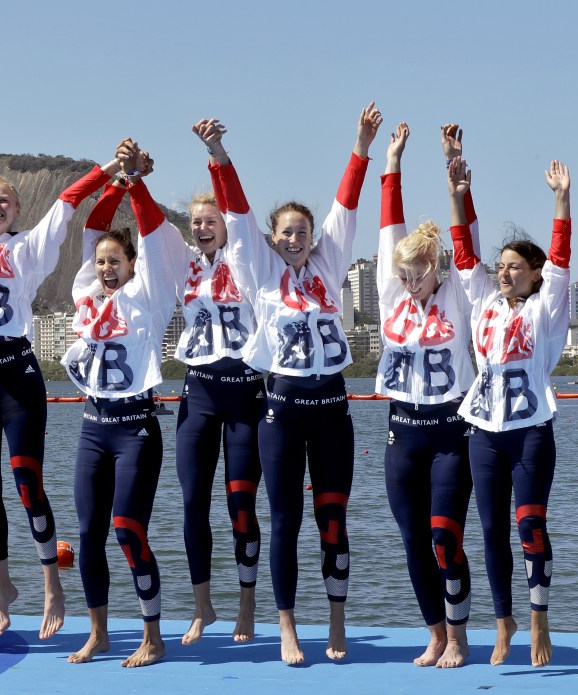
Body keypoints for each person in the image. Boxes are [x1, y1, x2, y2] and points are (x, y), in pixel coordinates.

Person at [0, 110, 128, 639]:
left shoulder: (30, 246)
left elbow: (69, 200)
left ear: (18, 209)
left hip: (15, 377)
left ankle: (50, 583)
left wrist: (112, 167)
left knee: (26, 482)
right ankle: (2, 592)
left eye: (5, 202)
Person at [215, 103, 382, 664]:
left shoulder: (330, 265)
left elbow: (347, 207)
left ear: (312, 236)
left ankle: (336, 621)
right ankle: (286, 625)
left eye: (302, 232)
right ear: (274, 237)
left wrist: (361, 146)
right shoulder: (262, 273)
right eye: (286, 232)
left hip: (332, 405)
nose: (295, 239)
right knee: (284, 519)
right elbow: (237, 216)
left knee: (331, 517)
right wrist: (219, 156)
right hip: (281, 408)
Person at [62, 142, 183, 667]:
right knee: (89, 536)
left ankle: (152, 635)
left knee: (127, 529)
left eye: (116, 261)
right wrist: (115, 180)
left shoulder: (150, 298)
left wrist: (137, 185)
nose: (107, 268)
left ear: (133, 266)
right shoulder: (87, 293)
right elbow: (94, 225)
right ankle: (99, 633)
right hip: (93, 427)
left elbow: (154, 241)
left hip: (135, 428)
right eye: (102, 262)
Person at [446, 156, 571, 668]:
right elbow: (462, 250)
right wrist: (458, 193)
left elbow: (562, 259)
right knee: (491, 531)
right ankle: (504, 623)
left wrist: (562, 199)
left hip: (531, 433)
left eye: (514, 266)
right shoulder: (484, 302)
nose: (503, 272)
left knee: (529, 526)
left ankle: (538, 617)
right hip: (484, 432)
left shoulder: (547, 308)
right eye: (501, 266)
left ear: (534, 273)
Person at [376, 123, 476, 667]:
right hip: (402, 429)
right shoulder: (394, 293)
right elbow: (390, 226)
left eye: (418, 275)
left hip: (448, 431)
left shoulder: (456, 295)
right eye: (405, 276)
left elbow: (468, 249)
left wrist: (454, 171)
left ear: (433, 270)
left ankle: (458, 635)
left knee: (444, 537)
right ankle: (435, 632)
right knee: (414, 540)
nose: (411, 284)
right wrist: (391, 161)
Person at [175, 119, 263, 645]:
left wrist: (216, 153)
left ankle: (248, 605)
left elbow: (241, 207)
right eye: (196, 222)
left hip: (245, 390)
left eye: (211, 220)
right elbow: (146, 228)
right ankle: (203, 605)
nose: (204, 228)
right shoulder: (185, 266)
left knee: (241, 503)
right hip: (199, 389)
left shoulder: (247, 259)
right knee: (191, 502)